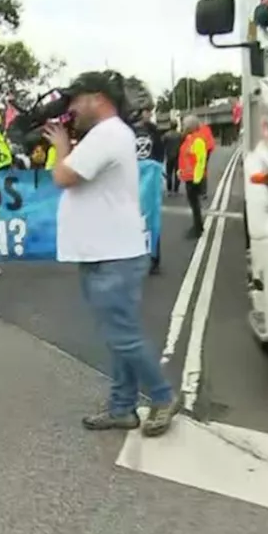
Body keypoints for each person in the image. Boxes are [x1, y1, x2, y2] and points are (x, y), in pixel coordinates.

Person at [44, 71, 179, 437]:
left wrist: (60, 144)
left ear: (97, 98)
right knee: (117, 334)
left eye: (75, 101)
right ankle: (122, 407)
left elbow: (64, 177)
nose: (70, 110)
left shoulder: (108, 133)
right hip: (103, 250)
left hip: (114, 253)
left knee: (122, 335)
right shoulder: (105, 134)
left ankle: (163, 396)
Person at [132, 107, 166, 275]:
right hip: (132, 180)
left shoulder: (153, 130)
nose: (148, 114)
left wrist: (158, 173)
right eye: (146, 110)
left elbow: (160, 153)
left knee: (151, 219)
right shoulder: (128, 130)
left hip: (150, 179)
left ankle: (154, 258)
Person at [177, 115, 210, 239]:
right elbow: (185, 158)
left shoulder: (197, 141)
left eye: (185, 124)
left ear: (190, 126)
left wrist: (197, 179)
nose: (183, 127)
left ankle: (197, 229)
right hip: (189, 177)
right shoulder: (189, 139)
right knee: (194, 204)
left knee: (195, 204)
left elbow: (201, 161)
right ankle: (198, 226)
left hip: (194, 178)